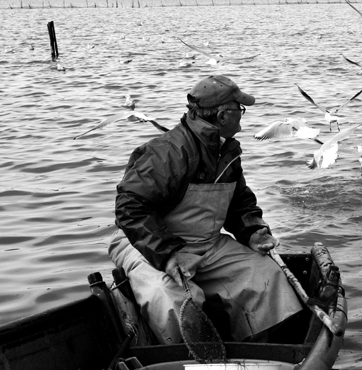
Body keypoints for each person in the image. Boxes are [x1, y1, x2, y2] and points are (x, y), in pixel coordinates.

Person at [109, 74, 303, 345]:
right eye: (240, 110)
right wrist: (169, 255)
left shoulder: (227, 151)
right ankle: (182, 367)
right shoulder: (168, 152)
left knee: (265, 276)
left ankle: (259, 354)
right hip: (146, 244)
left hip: (206, 243)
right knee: (173, 297)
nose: (242, 116)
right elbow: (129, 208)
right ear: (223, 116)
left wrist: (253, 231)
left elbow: (239, 202)